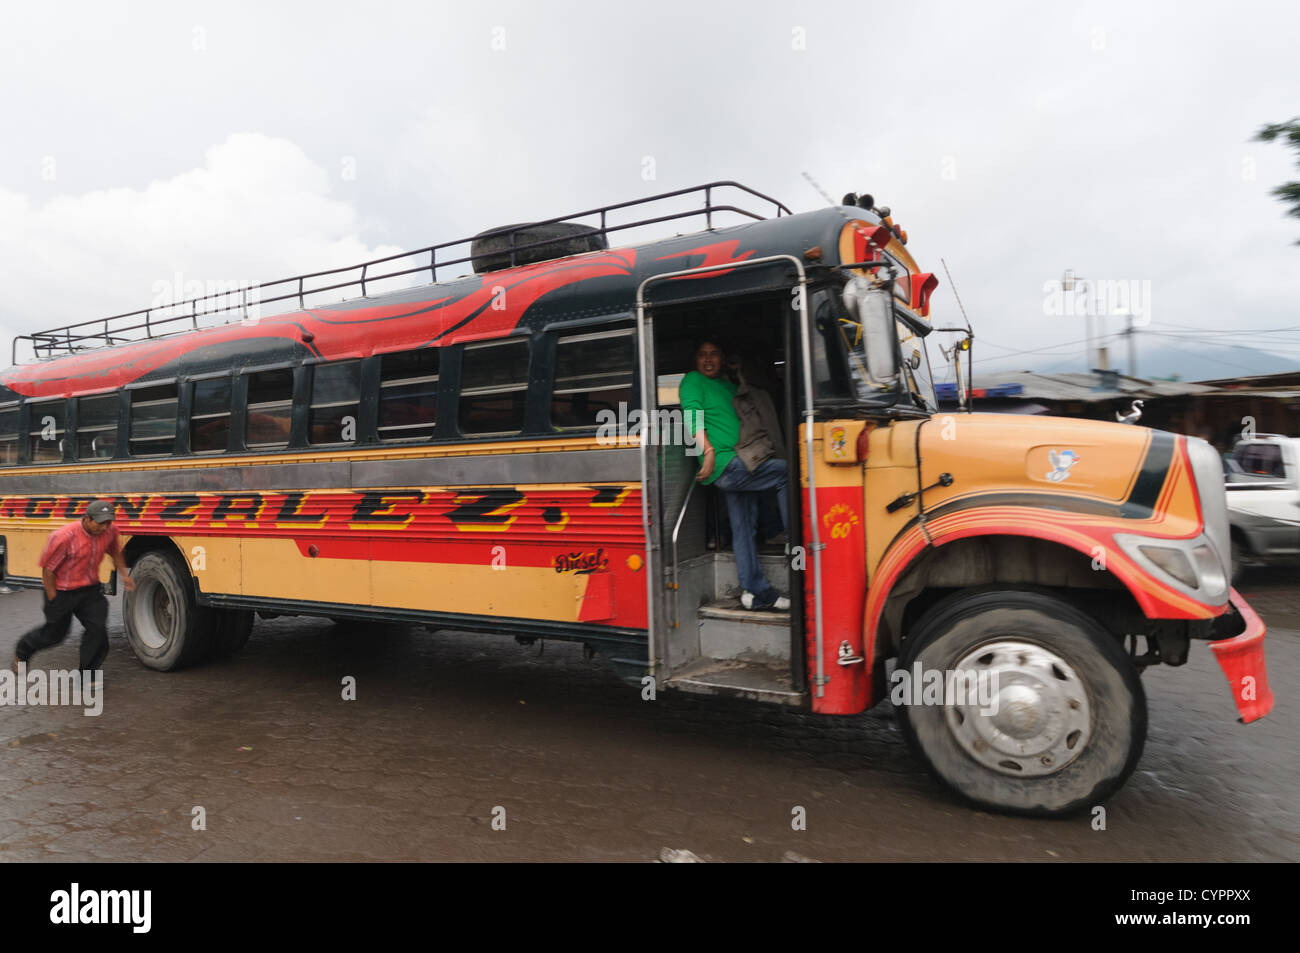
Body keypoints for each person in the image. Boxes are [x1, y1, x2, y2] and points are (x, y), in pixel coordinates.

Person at [679, 338, 790, 611]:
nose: (708, 359)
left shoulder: (727, 386)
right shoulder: (693, 380)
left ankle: (755, 592)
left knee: (743, 529)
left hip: (743, 460)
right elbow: (691, 415)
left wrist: (736, 371)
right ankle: (794, 538)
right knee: (786, 473)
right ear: (695, 360)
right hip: (726, 463)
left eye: (714, 354)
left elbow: (752, 399)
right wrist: (707, 451)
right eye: (702, 354)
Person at [9, 500, 135, 675]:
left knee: (97, 630)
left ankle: (87, 674)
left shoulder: (110, 531)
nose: (105, 528)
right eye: (100, 523)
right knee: (54, 635)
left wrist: (124, 575)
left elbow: (115, 551)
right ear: (87, 519)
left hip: (89, 590)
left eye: (108, 522)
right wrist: (54, 600)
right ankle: (22, 652)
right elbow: (48, 570)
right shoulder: (63, 537)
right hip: (61, 591)